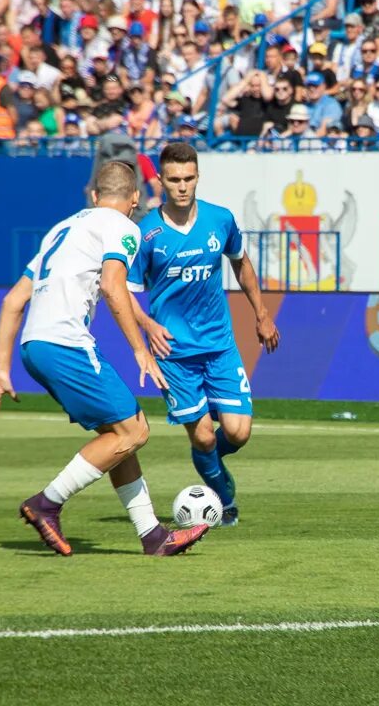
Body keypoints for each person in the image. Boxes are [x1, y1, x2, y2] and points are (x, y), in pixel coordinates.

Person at [0, 161, 208, 558]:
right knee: (134, 432)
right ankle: (46, 503)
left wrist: (0, 367)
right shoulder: (123, 227)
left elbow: (12, 301)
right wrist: (139, 349)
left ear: (94, 196)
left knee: (118, 434)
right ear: (134, 200)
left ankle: (153, 537)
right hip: (66, 343)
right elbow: (113, 287)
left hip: (34, 346)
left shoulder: (61, 230)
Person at [128, 143, 280, 527]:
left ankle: (209, 460)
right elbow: (125, 294)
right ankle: (224, 499)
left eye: (189, 179)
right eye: (174, 180)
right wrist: (147, 324)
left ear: (198, 178)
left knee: (238, 432)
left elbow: (241, 263)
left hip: (220, 345)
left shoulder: (220, 219)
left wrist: (261, 314)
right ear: (160, 180)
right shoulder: (146, 233)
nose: (182, 187)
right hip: (174, 353)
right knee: (205, 439)